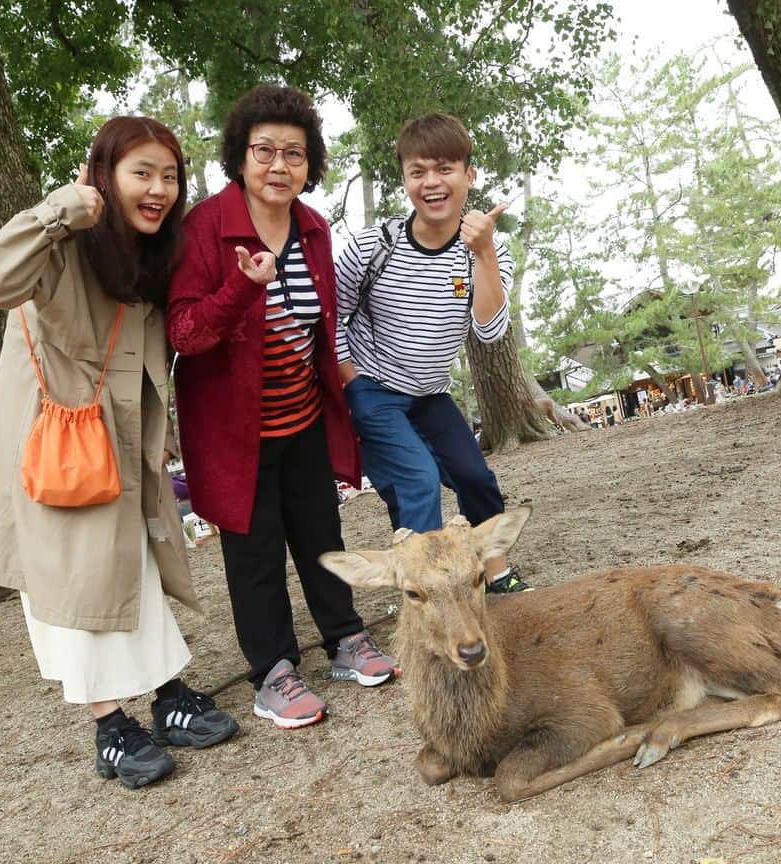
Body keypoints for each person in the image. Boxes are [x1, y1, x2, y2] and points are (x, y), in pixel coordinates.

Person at [0, 115, 238, 789]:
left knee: (135, 563)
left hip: (121, 437)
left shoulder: (148, 256)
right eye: (140, 173)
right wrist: (60, 209)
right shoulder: (63, 239)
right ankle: (110, 724)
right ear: (102, 177)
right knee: (75, 576)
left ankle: (167, 693)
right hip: (57, 441)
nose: (159, 189)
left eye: (170, 175)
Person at [168, 85, 398, 730]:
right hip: (234, 433)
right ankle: (273, 670)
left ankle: (345, 638)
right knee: (255, 553)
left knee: (322, 533)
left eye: (294, 154)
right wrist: (242, 286)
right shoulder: (206, 228)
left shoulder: (313, 227)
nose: (278, 165)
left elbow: (322, 325)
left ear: (310, 164)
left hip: (303, 416)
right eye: (263, 150)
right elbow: (185, 332)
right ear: (239, 158)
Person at [333, 113, 529, 594]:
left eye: (444, 168)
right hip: (374, 388)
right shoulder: (373, 245)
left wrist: (482, 253)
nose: (431, 182)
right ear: (404, 179)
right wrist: (351, 379)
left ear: (469, 175)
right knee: (418, 480)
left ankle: (495, 570)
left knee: (474, 475)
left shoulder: (485, 251)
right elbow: (331, 314)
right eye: (417, 171)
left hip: (430, 391)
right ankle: (425, 592)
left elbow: (489, 331)